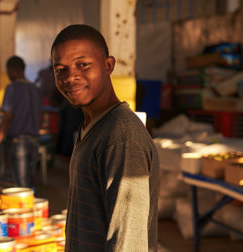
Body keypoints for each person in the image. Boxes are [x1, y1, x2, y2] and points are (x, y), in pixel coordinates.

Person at [51, 24, 159, 251]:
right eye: (60, 69)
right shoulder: (92, 127)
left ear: (108, 65)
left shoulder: (121, 138)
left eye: (83, 65)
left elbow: (128, 244)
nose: (71, 77)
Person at [0, 56, 42, 188]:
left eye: (8, 71)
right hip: (34, 140)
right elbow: (42, 115)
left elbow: (7, 119)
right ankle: (31, 204)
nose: (8, 75)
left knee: (21, 184)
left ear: (12, 70)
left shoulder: (12, 88)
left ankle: (28, 206)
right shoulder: (35, 88)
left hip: (19, 141)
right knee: (30, 180)